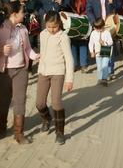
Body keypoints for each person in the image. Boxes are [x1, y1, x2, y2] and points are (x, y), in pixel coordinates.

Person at [0, 1, 39, 144]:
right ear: (14, 14)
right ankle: (1, 129)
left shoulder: (23, 29)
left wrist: (36, 56)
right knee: (4, 100)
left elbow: (27, 49)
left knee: (20, 100)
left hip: (21, 69)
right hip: (3, 71)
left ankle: (19, 133)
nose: (25, 14)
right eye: (23, 12)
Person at [36, 11, 73, 144]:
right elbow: (43, 51)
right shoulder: (42, 34)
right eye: (49, 26)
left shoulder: (63, 37)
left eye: (55, 26)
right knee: (39, 103)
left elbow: (69, 59)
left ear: (59, 24)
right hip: (43, 72)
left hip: (58, 72)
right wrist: (38, 58)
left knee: (56, 103)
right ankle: (46, 119)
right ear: (45, 23)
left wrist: (69, 79)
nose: (52, 29)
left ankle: (60, 133)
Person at [86, 0, 119, 79]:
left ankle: (110, 70)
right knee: (101, 46)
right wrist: (93, 22)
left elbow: (118, 6)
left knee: (109, 46)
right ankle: (104, 71)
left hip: (109, 23)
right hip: (98, 24)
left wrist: (112, 2)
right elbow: (89, 10)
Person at [68, 0, 89, 73]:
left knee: (83, 43)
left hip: (82, 20)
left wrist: (82, 16)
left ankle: (83, 65)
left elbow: (88, 7)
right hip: (72, 22)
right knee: (73, 44)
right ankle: (74, 64)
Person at [88, 18, 113, 86]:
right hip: (97, 52)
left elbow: (111, 42)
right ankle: (100, 78)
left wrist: (104, 43)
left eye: (99, 28)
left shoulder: (107, 32)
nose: (98, 30)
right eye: (96, 28)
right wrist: (91, 51)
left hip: (105, 50)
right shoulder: (93, 33)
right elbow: (90, 43)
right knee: (99, 67)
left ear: (103, 26)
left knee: (104, 65)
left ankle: (104, 79)